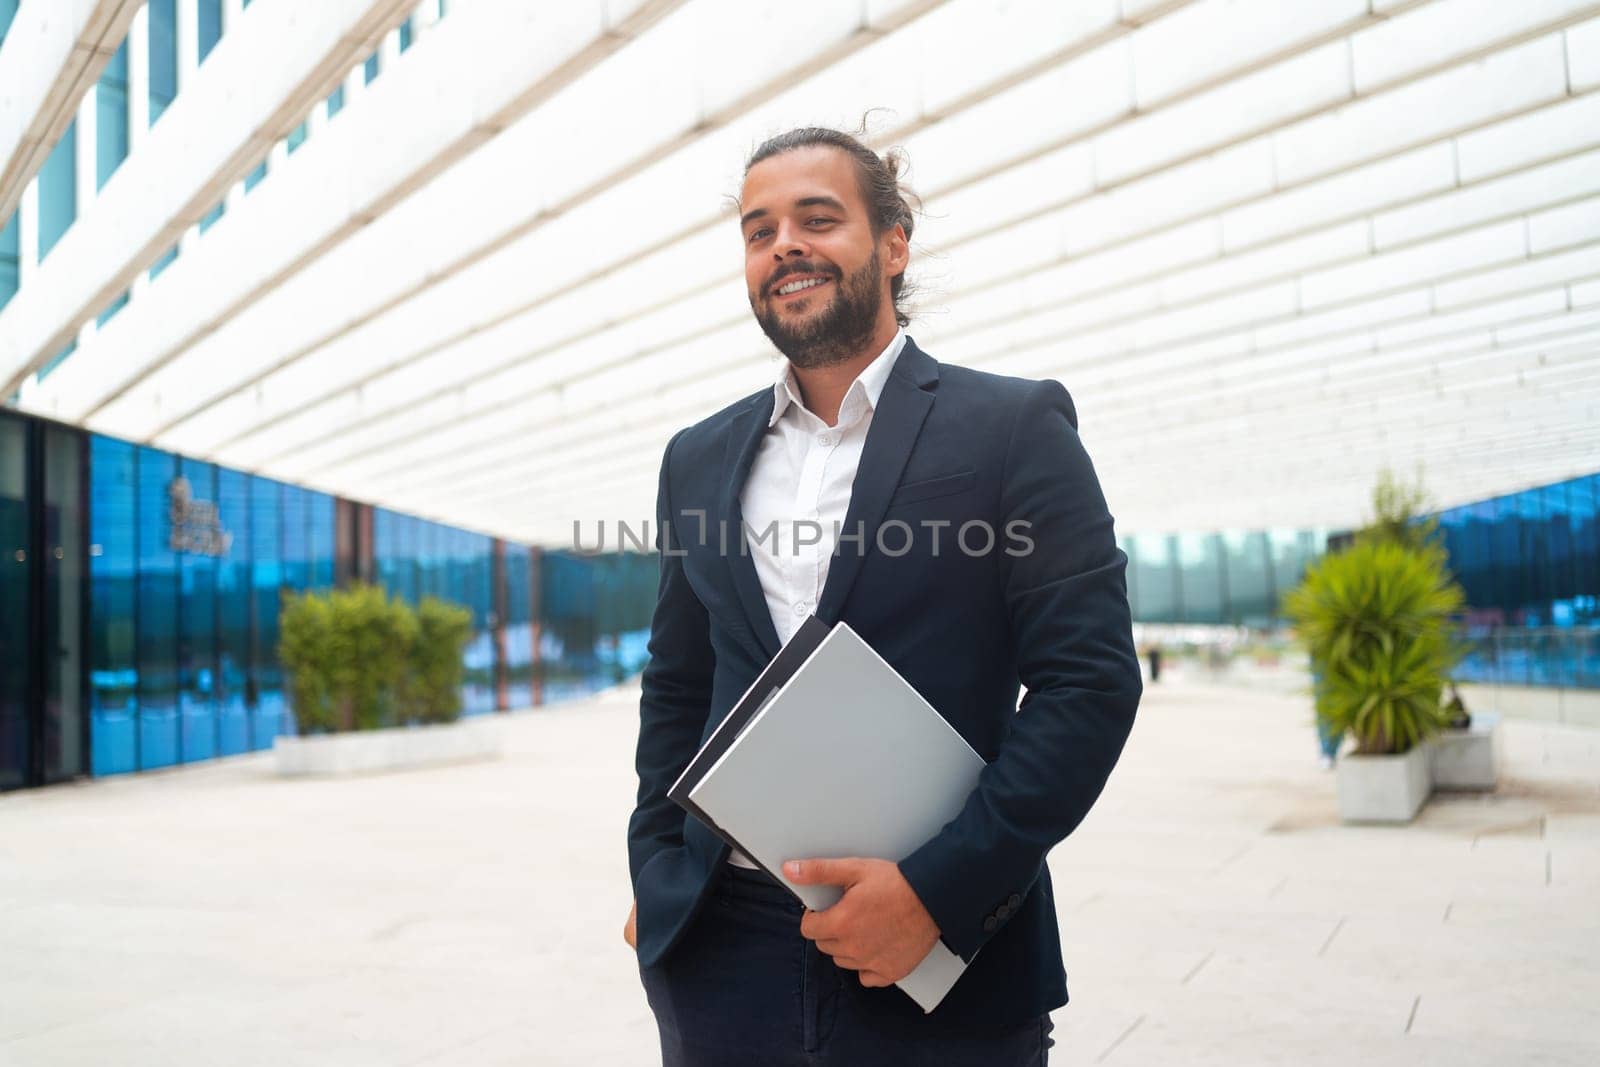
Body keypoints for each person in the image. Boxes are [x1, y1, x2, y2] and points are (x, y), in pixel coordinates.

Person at [623, 126, 1142, 1065]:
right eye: (759, 229)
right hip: (723, 953)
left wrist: (937, 894)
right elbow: (677, 682)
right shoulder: (695, 458)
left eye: (817, 218)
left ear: (894, 244)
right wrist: (660, 870)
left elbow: (1088, 685)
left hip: (939, 954)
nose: (784, 244)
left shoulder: (1014, 428)